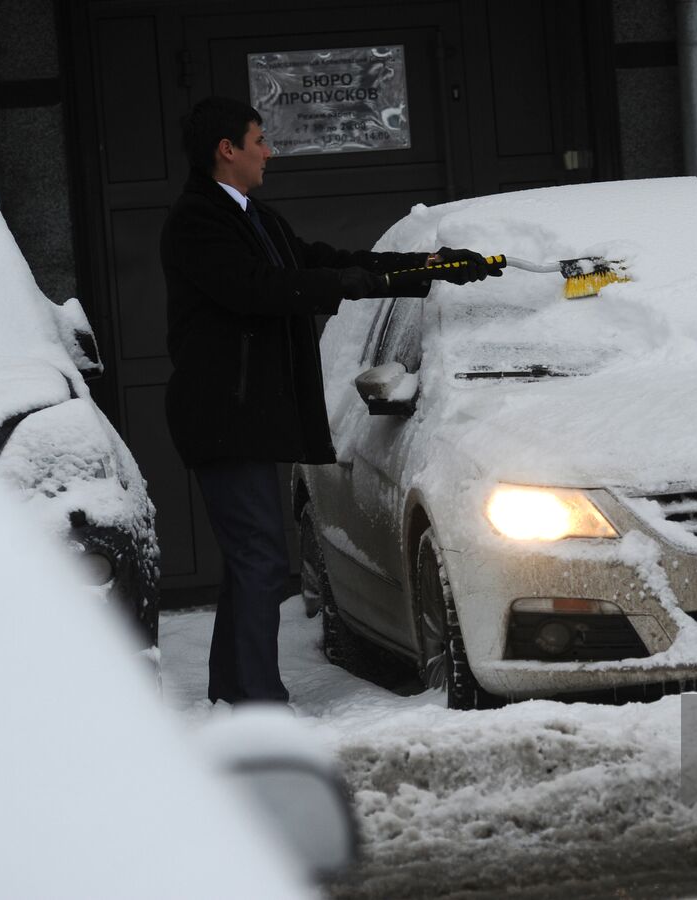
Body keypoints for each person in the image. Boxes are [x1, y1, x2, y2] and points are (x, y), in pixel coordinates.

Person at [159, 96, 497, 704]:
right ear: (226, 150)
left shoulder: (252, 217)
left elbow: (325, 262)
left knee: (250, 561)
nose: (271, 151)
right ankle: (257, 701)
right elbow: (258, 289)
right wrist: (349, 283)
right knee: (261, 562)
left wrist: (427, 268)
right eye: (259, 139)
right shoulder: (197, 223)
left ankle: (236, 691)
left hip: (246, 418)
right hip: (222, 419)